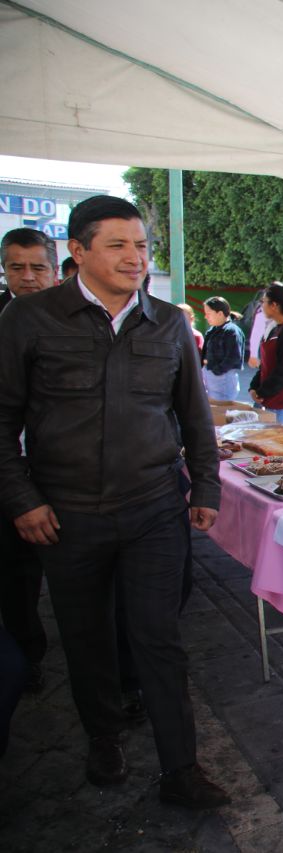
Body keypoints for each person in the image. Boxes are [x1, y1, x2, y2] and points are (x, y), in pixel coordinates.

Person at [0, 195, 228, 808]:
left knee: (159, 637)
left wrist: (203, 485)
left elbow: (193, 416)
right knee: (86, 634)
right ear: (77, 252)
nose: (136, 258)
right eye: (119, 245)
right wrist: (22, 498)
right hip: (66, 514)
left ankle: (181, 768)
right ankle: (104, 736)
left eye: (143, 245)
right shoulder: (29, 320)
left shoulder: (169, 323)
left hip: (155, 507)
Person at [0, 228, 59, 692]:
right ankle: (26, 655)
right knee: (16, 576)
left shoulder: (73, 323)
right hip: (11, 473)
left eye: (37, 267)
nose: (28, 277)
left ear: (55, 271)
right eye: (16, 267)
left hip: (61, 476)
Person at [248, 284, 283, 425]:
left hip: (281, 402)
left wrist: (262, 392)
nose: (261, 305)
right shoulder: (274, 328)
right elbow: (266, 365)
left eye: (264, 301)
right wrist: (254, 387)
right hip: (269, 398)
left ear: (274, 305)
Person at [0, 227, 58, 314]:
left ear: (55, 273)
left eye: (38, 269)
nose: (28, 277)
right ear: (5, 270)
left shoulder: (77, 313)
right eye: (17, 268)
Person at [201, 296, 245, 401]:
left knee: (221, 412)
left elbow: (234, 358)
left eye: (208, 313)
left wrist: (217, 371)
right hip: (212, 377)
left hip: (223, 380)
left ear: (220, 313)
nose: (205, 317)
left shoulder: (232, 331)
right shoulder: (212, 330)